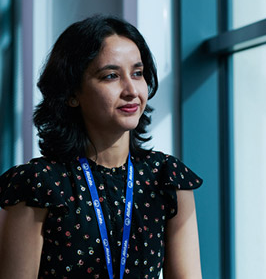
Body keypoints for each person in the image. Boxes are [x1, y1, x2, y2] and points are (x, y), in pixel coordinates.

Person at [0, 15, 203, 279]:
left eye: (138, 73)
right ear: (72, 94)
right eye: (111, 76)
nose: (131, 89)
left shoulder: (167, 178)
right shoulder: (39, 185)